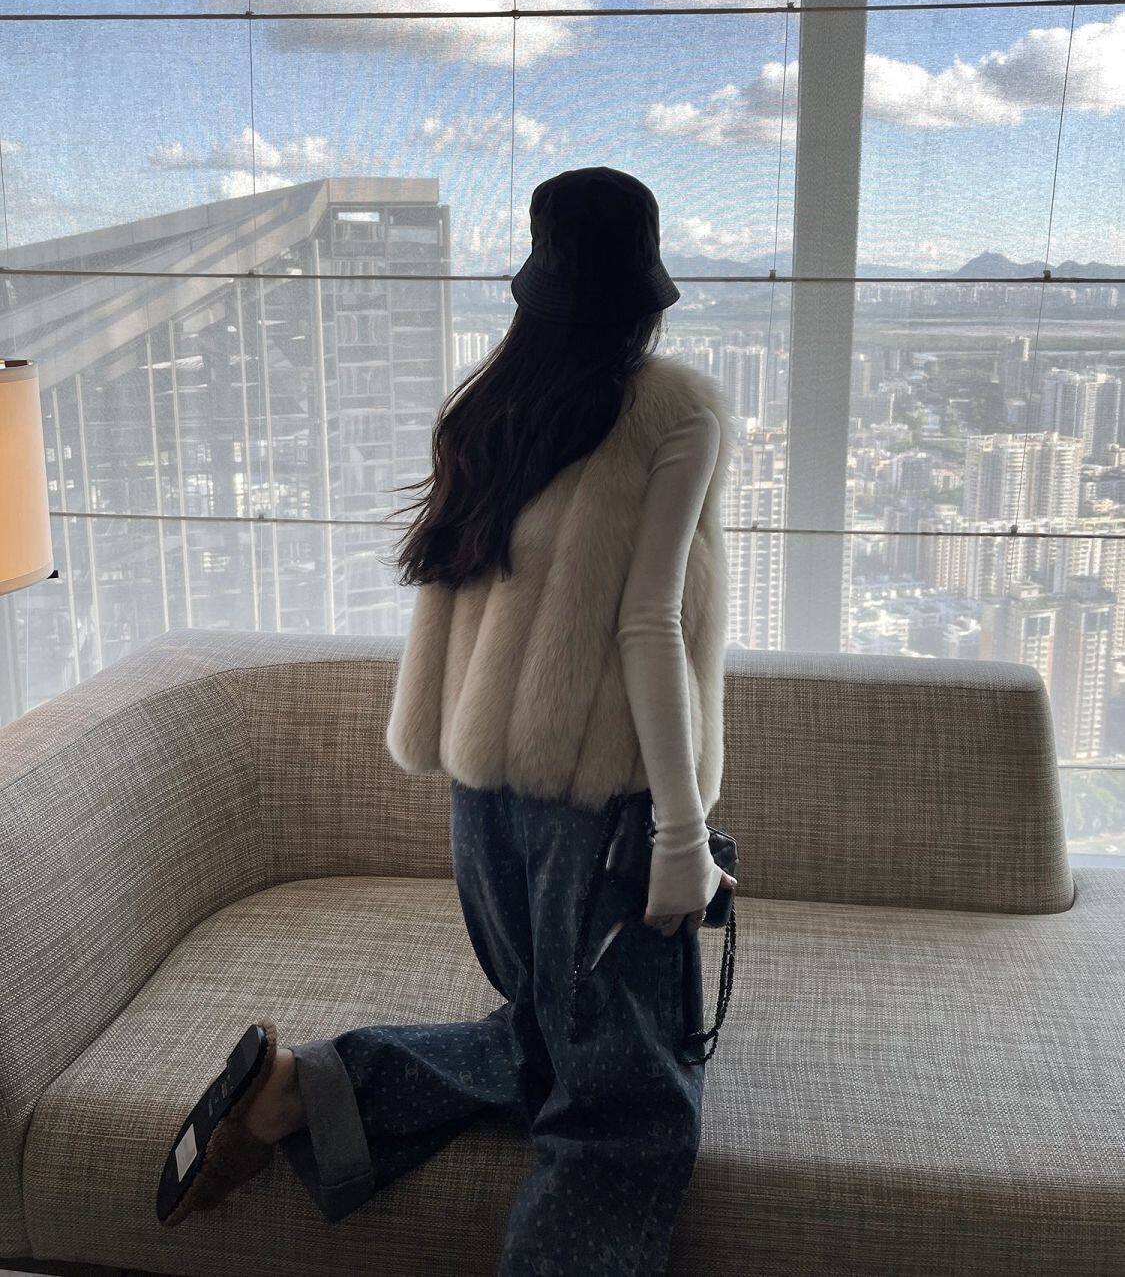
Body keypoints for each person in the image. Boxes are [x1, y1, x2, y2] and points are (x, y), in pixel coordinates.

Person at [156, 165, 737, 1274]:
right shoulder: (676, 414)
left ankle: (302, 1095)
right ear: (644, 288)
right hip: (599, 814)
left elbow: (455, 598)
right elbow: (647, 624)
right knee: (624, 1116)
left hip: (486, 810)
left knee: (552, 1041)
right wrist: (679, 830)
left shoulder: (492, 407)